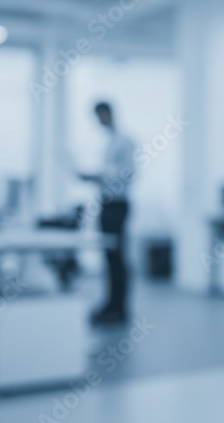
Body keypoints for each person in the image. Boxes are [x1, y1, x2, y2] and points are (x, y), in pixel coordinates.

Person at [79, 102, 136, 325]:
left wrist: (99, 177)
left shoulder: (124, 142)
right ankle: (110, 304)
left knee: (117, 257)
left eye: (99, 117)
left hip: (117, 205)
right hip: (107, 203)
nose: (98, 122)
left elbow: (127, 174)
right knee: (109, 257)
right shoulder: (111, 142)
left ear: (108, 114)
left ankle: (119, 309)